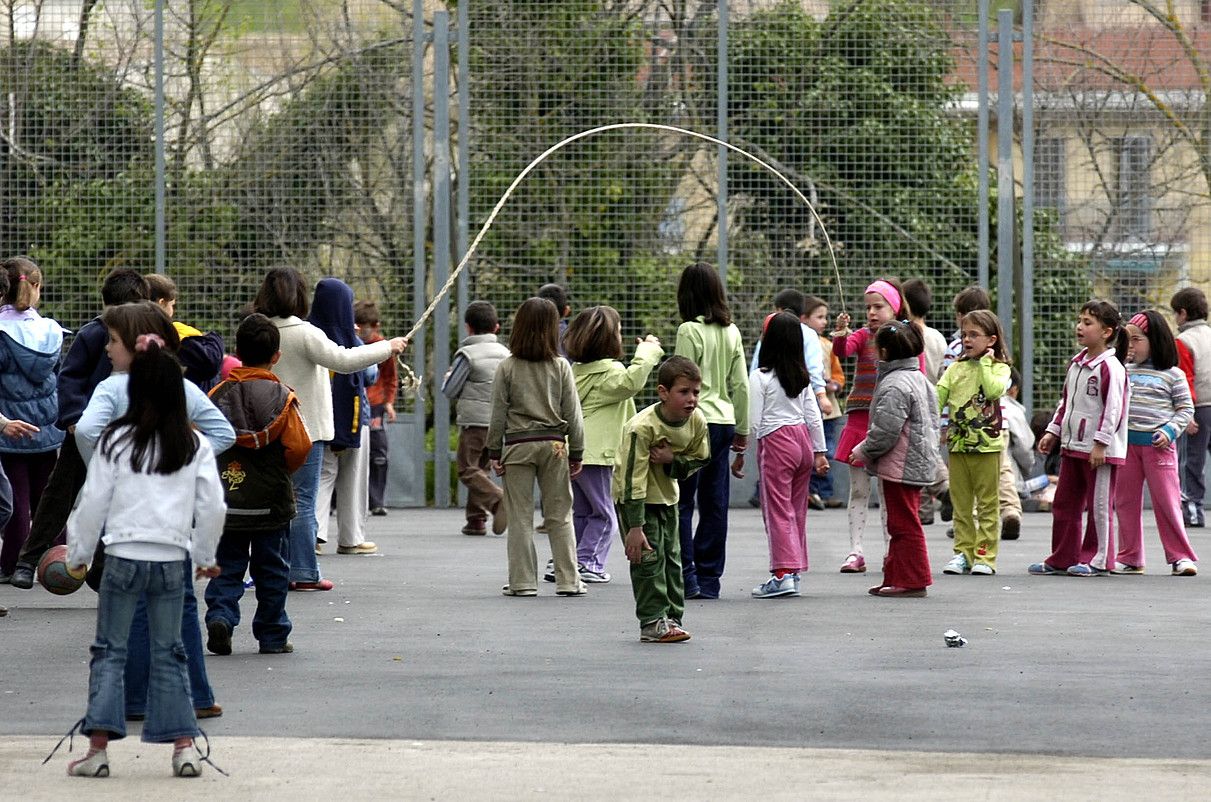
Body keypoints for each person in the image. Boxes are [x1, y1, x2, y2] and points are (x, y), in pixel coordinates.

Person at [62, 332, 226, 778]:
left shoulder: (116, 441)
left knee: (110, 652)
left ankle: (97, 752)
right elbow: (213, 505)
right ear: (180, 393)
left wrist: (79, 554)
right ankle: (184, 747)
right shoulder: (194, 444)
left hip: (122, 557)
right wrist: (205, 556)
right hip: (173, 558)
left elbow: (91, 502)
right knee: (171, 651)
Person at [251, 268, 405, 591]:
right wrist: (386, 347)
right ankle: (304, 571)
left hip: (267, 427)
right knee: (303, 501)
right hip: (307, 430)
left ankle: (268, 568)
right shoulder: (306, 333)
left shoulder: (257, 330)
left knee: (270, 501)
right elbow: (344, 360)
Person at [10, 268, 148, 590]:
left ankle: (100, 568)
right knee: (58, 495)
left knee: (116, 503)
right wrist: (73, 419)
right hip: (84, 433)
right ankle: (27, 561)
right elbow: (69, 380)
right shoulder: (93, 335)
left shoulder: (146, 341)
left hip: (126, 439)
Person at [205, 313, 312, 656]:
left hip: (227, 499)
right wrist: (281, 471)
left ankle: (221, 615)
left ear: (237, 350)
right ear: (276, 356)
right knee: (272, 569)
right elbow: (299, 447)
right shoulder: (283, 398)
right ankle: (272, 634)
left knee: (226, 564)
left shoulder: (218, 394)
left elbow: (203, 439)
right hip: (271, 501)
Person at [488, 297, 586, 597]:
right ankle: (569, 580)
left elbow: (498, 414)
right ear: (553, 330)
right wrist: (578, 451)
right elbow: (573, 413)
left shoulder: (507, 367)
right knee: (560, 514)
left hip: (518, 447)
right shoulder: (561, 366)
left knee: (520, 517)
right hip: (554, 446)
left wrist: (494, 451)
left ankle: (522, 582)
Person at [564, 305, 663, 584]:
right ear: (608, 340)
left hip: (577, 450)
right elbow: (633, 381)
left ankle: (567, 560)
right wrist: (649, 350)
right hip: (600, 454)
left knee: (582, 511)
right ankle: (587, 562)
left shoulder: (577, 371)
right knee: (606, 513)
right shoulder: (609, 373)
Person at [614, 356, 710, 640]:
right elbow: (632, 479)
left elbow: (699, 459)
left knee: (672, 559)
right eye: (683, 392)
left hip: (668, 499)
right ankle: (652, 621)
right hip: (637, 502)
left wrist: (672, 460)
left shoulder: (697, 421)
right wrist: (635, 526)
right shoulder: (641, 428)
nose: (691, 399)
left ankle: (672, 617)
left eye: (696, 392)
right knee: (647, 560)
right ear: (663, 392)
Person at [1031, 300, 1130, 577]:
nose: (1079, 327)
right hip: (1072, 446)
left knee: (1099, 506)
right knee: (1065, 503)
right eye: (1079, 320)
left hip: (1099, 452)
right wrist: (1053, 431)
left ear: (1107, 331)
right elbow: (1066, 403)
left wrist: (1101, 443)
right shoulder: (1076, 364)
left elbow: (1114, 409)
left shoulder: (1112, 367)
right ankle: (1062, 557)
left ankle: (1097, 560)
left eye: (1088, 323)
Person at [736, 312, 828, 598]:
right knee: (796, 509)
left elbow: (753, 420)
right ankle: (795, 571)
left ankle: (781, 574)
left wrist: (740, 451)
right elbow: (813, 416)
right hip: (802, 441)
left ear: (769, 340)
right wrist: (820, 451)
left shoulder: (761, 377)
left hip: (777, 442)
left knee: (776, 510)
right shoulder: (801, 376)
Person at [830, 278, 919, 573]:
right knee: (858, 490)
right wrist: (841, 334)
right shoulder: (862, 335)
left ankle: (889, 550)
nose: (871, 312)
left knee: (887, 494)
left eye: (878, 306)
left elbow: (915, 374)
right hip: (859, 419)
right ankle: (855, 551)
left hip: (889, 422)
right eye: (868, 307)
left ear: (894, 307)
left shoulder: (906, 336)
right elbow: (842, 351)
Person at [673, 262, 748, 600]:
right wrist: (743, 429)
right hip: (724, 421)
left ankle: (685, 576)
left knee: (683, 501)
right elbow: (741, 385)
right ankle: (709, 579)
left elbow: (682, 381)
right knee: (715, 502)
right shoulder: (731, 331)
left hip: (694, 421)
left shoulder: (689, 330)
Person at [850, 321, 939, 597]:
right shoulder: (918, 378)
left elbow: (885, 431)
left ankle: (913, 580)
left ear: (885, 352)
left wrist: (862, 450)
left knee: (903, 525)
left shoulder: (895, 385)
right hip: (914, 460)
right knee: (900, 523)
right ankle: (896, 576)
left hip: (900, 464)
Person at [1114, 310, 1198, 576]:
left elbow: (1185, 409)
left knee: (1167, 502)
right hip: (1126, 447)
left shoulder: (1173, 375)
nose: (1131, 346)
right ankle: (1130, 556)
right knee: (1125, 502)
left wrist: (1170, 431)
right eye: (1127, 340)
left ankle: (1181, 557)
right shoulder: (1122, 372)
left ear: (1156, 340)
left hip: (1159, 447)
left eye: (1136, 339)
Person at [0, 257, 63, 583]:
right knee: (48, 495)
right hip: (47, 426)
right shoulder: (50, 332)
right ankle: (61, 559)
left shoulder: (1, 333)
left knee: (15, 497)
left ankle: (12, 564)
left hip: (9, 428)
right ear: (35, 287)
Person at [937, 310, 1011, 576]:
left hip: (987, 446)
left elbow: (992, 390)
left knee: (988, 503)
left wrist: (986, 365)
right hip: (958, 445)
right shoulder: (955, 368)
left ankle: (985, 556)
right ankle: (962, 553)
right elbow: (939, 396)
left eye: (974, 335)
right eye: (965, 334)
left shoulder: (1000, 368)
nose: (967, 340)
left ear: (991, 340)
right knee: (961, 503)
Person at [311, 279, 379, 557]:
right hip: (353, 417)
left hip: (319, 417)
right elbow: (370, 375)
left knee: (322, 476)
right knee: (353, 479)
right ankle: (351, 538)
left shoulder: (310, 334)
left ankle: (313, 535)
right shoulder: (352, 340)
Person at [443, 301, 510, 536]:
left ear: (468, 328)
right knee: (482, 468)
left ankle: (497, 500)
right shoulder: (506, 354)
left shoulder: (467, 354)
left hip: (474, 423)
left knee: (467, 469)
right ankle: (476, 519)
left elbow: (450, 390)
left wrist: (449, 376)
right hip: (499, 422)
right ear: (497, 327)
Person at [901, 278, 950, 525]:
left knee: (913, 454)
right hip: (935, 401)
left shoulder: (905, 334)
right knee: (925, 449)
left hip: (912, 401)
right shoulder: (938, 337)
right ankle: (929, 504)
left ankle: (939, 489)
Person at [1170, 287, 1211, 528]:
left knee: (1191, 462)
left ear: (1183, 313)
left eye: (1176, 313)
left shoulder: (1184, 341)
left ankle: (1192, 511)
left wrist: (1186, 413)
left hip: (1199, 408)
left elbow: (1186, 379)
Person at [145, 273, 225, 392]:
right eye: (172, 305)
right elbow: (210, 360)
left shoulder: (132, 330)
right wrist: (214, 338)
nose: (173, 310)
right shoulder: (174, 333)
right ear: (161, 303)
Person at [354, 300, 398, 517]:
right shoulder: (350, 344)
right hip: (355, 403)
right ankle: (337, 502)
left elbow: (390, 378)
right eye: (358, 325)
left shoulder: (384, 347)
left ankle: (377, 501)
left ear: (376, 325)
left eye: (367, 326)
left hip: (376, 405)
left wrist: (389, 402)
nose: (363, 330)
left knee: (379, 454)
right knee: (348, 452)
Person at [804, 295, 845, 509]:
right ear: (804, 318)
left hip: (829, 409)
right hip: (808, 406)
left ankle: (825, 492)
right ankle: (809, 492)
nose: (824, 321)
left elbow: (839, 375)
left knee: (827, 450)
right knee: (810, 451)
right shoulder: (801, 342)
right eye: (819, 317)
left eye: (825, 317)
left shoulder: (828, 345)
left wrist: (834, 386)